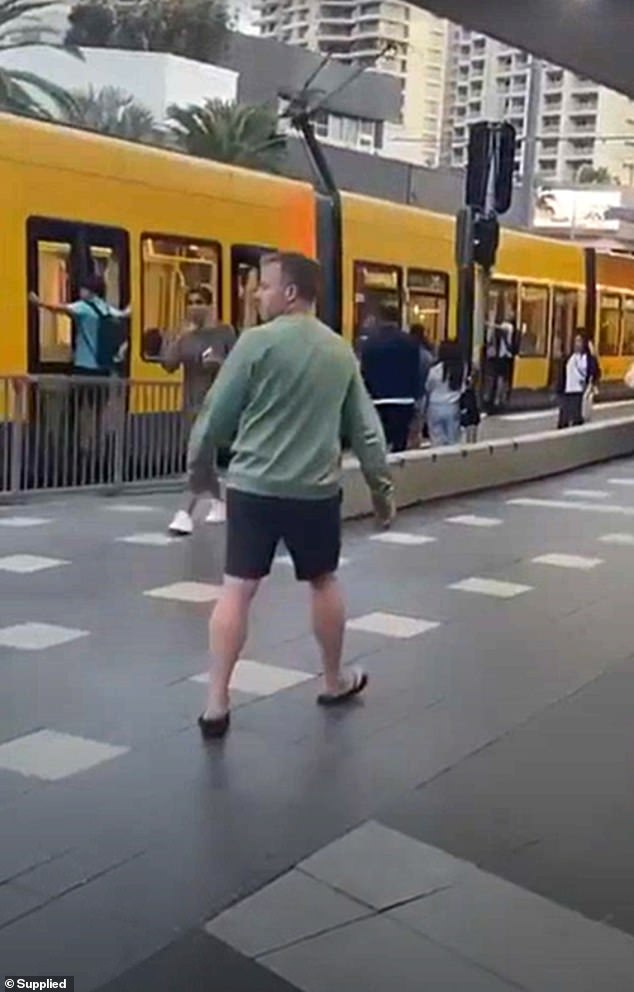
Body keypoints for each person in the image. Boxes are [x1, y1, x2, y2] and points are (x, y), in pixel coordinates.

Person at [187, 252, 395, 739]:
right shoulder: (339, 350)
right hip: (314, 492)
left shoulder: (255, 344)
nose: (256, 295)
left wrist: (200, 473)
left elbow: (215, 416)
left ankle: (216, 702)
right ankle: (333, 679)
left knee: (237, 588)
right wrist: (382, 492)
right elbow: (366, 431)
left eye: (263, 287)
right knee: (323, 581)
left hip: (253, 488)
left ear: (290, 293)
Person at [161, 286, 236, 535]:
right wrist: (178, 338)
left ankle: (185, 513)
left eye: (199, 302)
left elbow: (239, 367)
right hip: (191, 404)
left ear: (210, 306)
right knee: (204, 458)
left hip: (217, 404)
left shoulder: (224, 333)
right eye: (191, 302)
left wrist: (220, 363)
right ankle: (219, 502)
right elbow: (168, 365)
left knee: (197, 458)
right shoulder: (186, 336)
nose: (194, 307)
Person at [29, 273, 130, 374]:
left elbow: (60, 308)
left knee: (82, 389)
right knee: (100, 390)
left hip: (84, 363)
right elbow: (124, 314)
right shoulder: (106, 308)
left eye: (83, 289)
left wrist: (40, 303)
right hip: (103, 366)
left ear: (91, 291)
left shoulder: (83, 307)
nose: (80, 291)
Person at [359, 303, 422, 452]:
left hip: (378, 401)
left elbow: (364, 373)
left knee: (379, 443)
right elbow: (415, 373)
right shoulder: (410, 342)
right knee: (400, 444)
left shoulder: (370, 343)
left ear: (380, 319)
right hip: (404, 401)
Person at [425, 340, 465, 446]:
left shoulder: (435, 369)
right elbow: (463, 388)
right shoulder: (461, 369)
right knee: (453, 441)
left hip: (434, 406)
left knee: (436, 440)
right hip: (453, 406)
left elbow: (428, 387)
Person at [558, 331, 597, 429]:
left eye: (579, 341)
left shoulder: (587, 358)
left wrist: (593, 355)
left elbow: (594, 371)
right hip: (567, 391)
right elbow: (563, 374)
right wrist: (559, 389)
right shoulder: (569, 357)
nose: (577, 343)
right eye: (575, 341)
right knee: (563, 422)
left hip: (578, 392)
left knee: (576, 421)